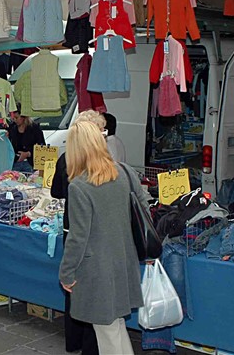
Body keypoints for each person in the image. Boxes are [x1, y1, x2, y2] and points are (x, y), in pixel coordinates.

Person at [59, 121, 148, 355]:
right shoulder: (125, 172)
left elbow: (78, 237)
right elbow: (144, 209)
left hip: (96, 270)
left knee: (108, 333)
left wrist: (66, 273)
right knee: (114, 327)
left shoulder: (79, 186)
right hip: (124, 261)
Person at [51, 110, 107, 355]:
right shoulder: (99, 162)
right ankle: (89, 345)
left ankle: (73, 341)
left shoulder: (65, 158)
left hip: (69, 226)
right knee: (92, 291)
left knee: (73, 289)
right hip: (92, 231)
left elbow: (55, 192)